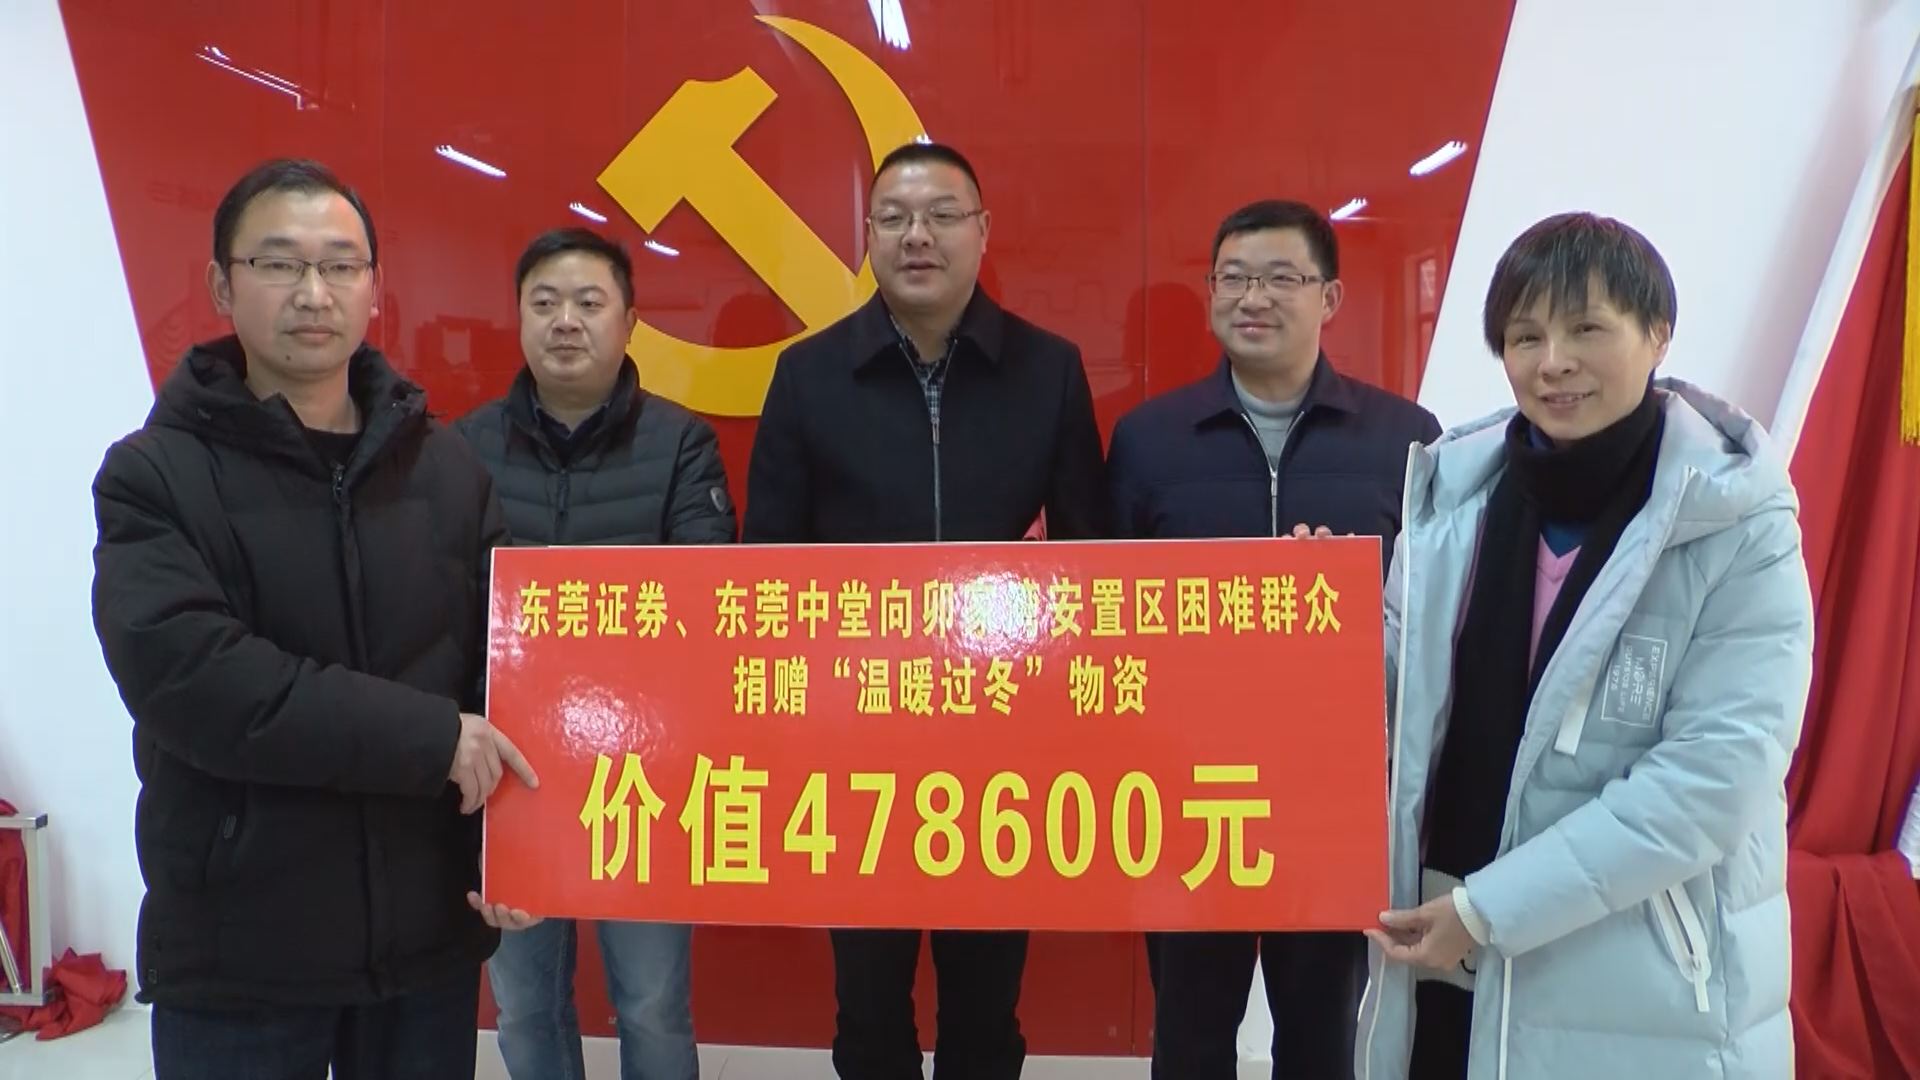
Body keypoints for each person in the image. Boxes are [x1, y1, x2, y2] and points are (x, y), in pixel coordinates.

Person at [90, 158, 539, 1079]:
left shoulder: (447, 470)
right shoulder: (155, 475)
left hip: (424, 946)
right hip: (243, 950)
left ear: (374, 287)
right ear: (222, 285)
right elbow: (201, 685)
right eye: (278, 263)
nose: (312, 292)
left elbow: (508, 674)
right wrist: (429, 738)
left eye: (340, 265)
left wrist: (519, 854)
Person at [1356, 213, 1813, 1080]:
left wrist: (1491, 910)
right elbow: (1388, 705)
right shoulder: (1451, 504)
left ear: (1658, 333)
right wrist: (1318, 634)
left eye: (1587, 329)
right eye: (1525, 336)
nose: (1553, 361)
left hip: (1644, 992)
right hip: (1441, 954)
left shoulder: (1736, 521)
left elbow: (1714, 777)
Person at [743, 140, 1106, 1079]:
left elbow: (1092, 563)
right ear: (866, 236)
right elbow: (767, 570)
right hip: (852, 744)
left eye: (943, 215)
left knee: (987, 1006)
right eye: (895, 218)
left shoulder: (1049, 371)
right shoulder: (809, 375)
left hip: (1006, 747)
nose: (918, 236)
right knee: (867, 1006)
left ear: (982, 233)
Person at [1108, 198, 1439, 1079]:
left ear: (1329, 297)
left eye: (1281, 278)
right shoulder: (1149, 439)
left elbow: (1432, 607)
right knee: (1189, 1032)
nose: (1253, 297)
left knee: (1322, 1036)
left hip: (1333, 788)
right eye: (1234, 278)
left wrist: (1340, 599)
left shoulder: (1405, 439)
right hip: (1185, 788)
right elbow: (1110, 613)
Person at [457, 227, 734, 1080]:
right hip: (507, 775)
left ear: (630, 321)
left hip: (644, 773)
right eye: (544, 303)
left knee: (651, 1002)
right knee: (525, 1003)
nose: (565, 322)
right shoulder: (460, 449)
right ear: (519, 319)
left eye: (588, 302)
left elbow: (706, 601)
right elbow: (438, 607)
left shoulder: (681, 444)